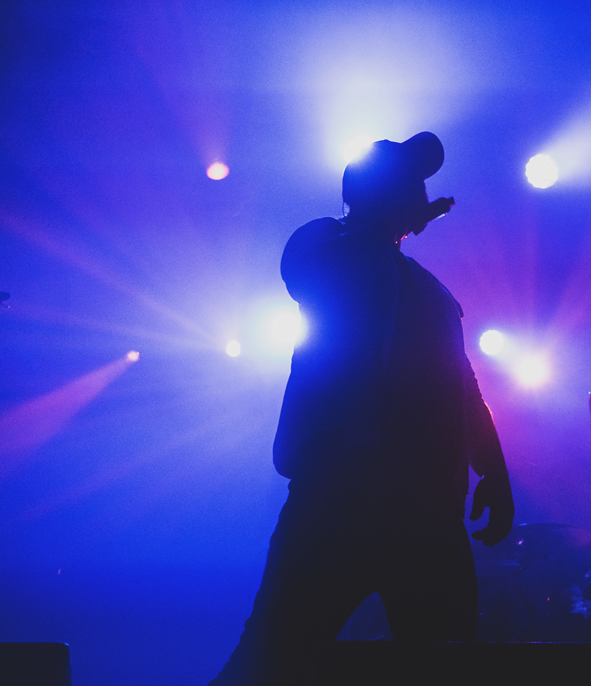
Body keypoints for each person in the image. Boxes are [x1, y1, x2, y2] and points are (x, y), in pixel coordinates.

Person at [208, 132, 514, 685]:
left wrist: (492, 469)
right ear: (369, 191)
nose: (420, 193)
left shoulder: (430, 290)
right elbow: (312, 267)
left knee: (444, 661)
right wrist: (383, 224)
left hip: (426, 507)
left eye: (419, 185)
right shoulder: (325, 245)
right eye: (407, 182)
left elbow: (463, 385)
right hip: (341, 491)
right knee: (269, 660)